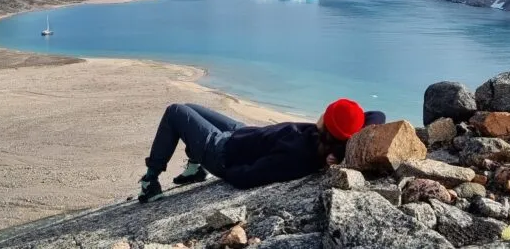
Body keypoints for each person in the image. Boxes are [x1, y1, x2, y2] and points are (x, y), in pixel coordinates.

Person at [138, 98, 386, 203]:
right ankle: (194, 169)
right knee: (190, 108)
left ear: (327, 124)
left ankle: (150, 183)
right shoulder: (329, 141)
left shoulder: (298, 154)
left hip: (223, 151)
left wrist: (224, 166)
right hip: (244, 134)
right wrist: (342, 148)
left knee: (175, 112)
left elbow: (249, 177)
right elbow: (377, 115)